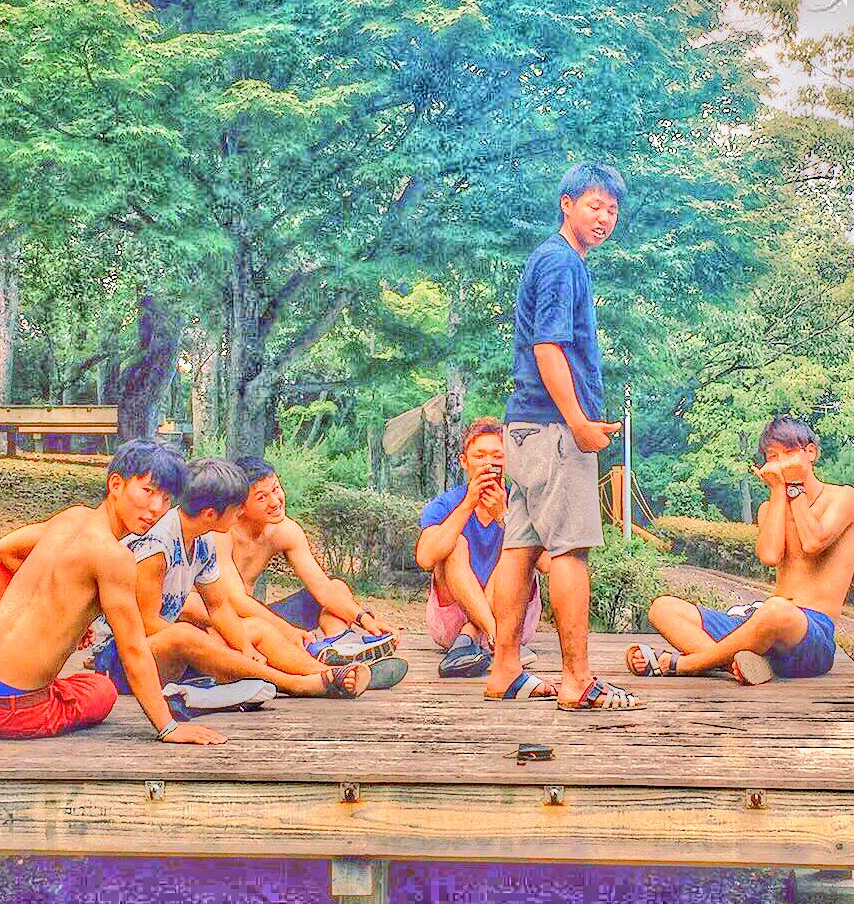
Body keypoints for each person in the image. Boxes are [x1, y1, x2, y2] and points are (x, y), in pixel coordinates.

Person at [0, 438, 223, 744]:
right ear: (116, 485)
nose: (156, 508)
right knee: (101, 690)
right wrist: (169, 727)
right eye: (148, 491)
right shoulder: (115, 557)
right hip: (10, 711)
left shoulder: (72, 517)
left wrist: (63, 605)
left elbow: (4, 548)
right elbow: (133, 650)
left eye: (166, 500)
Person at [483, 162, 639, 711]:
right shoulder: (561, 262)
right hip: (553, 429)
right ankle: (578, 680)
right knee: (570, 550)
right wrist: (577, 422)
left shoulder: (554, 260)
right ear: (566, 204)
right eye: (594, 205)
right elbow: (548, 347)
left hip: (525, 427)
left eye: (612, 210)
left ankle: (504, 668)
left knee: (520, 547)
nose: (604, 217)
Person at [86, 456, 374, 708]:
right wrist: (211, 646)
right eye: (236, 509)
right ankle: (294, 683)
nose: (240, 514)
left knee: (254, 629)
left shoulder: (202, 540)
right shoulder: (156, 549)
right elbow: (147, 624)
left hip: (168, 650)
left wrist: (245, 648)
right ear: (211, 514)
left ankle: (323, 673)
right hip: (121, 659)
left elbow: (219, 606)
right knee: (186, 634)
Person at [626, 415, 850, 685]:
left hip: (810, 634)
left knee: (776, 610)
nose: (781, 464)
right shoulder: (769, 508)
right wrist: (778, 491)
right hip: (763, 624)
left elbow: (813, 543)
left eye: (789, 453)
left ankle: (688, 664)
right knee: (663, 608)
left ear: (810, 452)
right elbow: (769, 556)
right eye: (773, 457)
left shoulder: (842, 497)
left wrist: (794, 488)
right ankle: (741, 664)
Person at [223, 456, 402, 681]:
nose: (275, 501)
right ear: (241, 506)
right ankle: (329, 670)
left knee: (337, 587)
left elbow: (323, 589)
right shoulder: (222, 532)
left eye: (276, 489)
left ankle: (342, 648)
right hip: (230, 625)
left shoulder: (285, 530)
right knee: (260, 630)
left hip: (263, 618)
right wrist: (287, 631)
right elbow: (235, 601)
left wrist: (366, 620)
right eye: (262, 497)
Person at [414, 416, 545, 677]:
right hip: (455, 625)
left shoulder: (524, 502)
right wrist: (468, 504)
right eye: (480, 456)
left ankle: (472, 635)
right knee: (454, 543)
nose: (488, 463)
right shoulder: (445, 503)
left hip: (513, 622)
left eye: (497, 456)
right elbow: (425, 558)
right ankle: (496, 638)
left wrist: (504, 517)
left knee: (515, 548)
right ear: (464, 461)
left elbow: (547, 563)